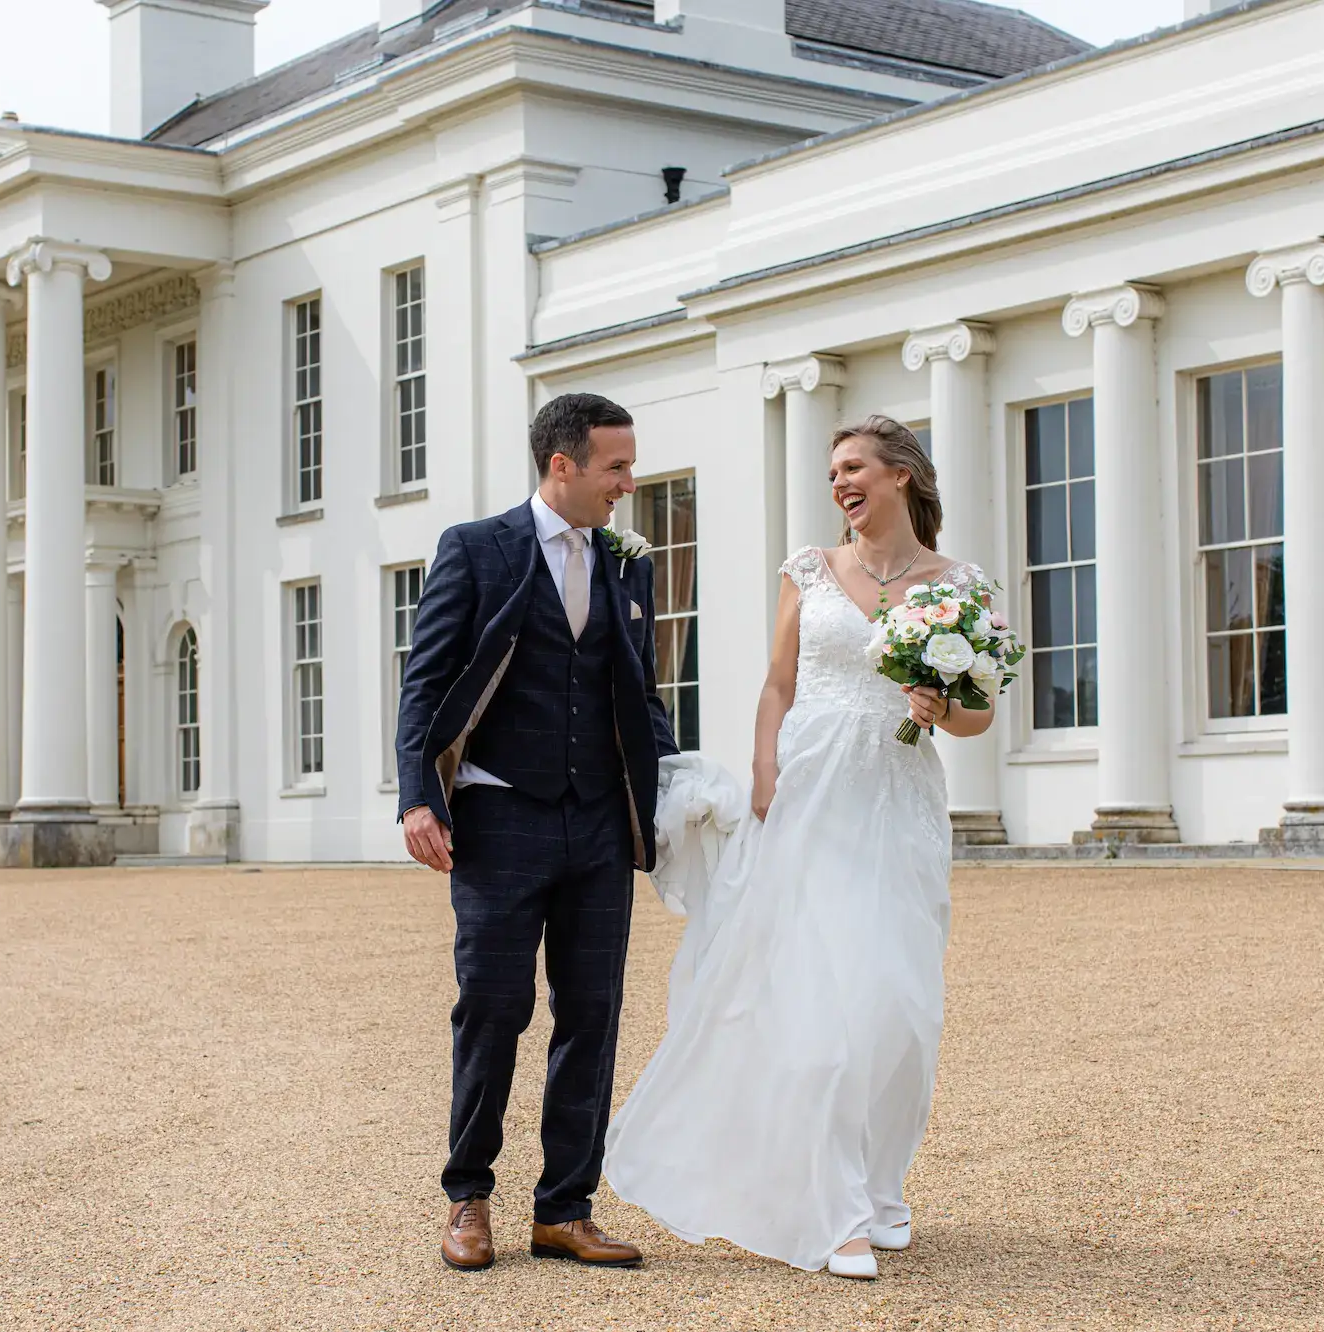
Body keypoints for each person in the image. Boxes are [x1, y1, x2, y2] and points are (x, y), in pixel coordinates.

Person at [604, 414, 995, 1280]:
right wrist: (764, 772)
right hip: (810, 792)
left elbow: (980, 711)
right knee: (820, 1004)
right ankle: (834, 1207)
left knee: (900, 1005)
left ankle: (882, 1184)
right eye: (833, 473)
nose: (840, 483)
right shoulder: (808, 570)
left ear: (901, 474)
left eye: (854, 467)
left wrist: (941, 707)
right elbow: (778, 684)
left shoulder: (957, 586)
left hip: (898, 801)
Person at [395, 393, 678, 1272]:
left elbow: (641, 691)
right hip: (499, 816)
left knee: (592, 1012)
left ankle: (564, 1209)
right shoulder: (476, 548)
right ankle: (467, 1196)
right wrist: (417, 797)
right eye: (616, 467)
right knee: (492, 1005)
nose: (627, 484)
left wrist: (674, 789)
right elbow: (425, 679)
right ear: (563, 465)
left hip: (599, 821)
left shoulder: (627, 563)